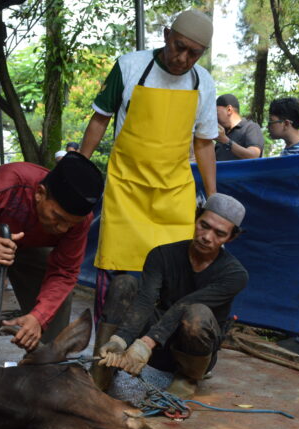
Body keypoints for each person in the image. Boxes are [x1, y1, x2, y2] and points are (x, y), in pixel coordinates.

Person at [79, 9, 219, 322]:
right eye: (178, 46)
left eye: (193, 53)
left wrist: (213, 199)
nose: (182, 58)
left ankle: (157, 346)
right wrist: (78, 166)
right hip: (127, 189)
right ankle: (108, 346)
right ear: (167, 34)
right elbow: (100, 119)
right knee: (119, 271)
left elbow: (204, 143)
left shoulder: (203, 84)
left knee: (174, 273)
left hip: (174, 194)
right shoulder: (130, 66)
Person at [0, 152, 104, 365]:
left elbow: (65, 272)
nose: (62, 229)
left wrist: (39, 316)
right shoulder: (9, 182)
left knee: (58, 299)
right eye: (58, 218)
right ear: (39, 193)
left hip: (27, 238)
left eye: (70, 224)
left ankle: (46, 364)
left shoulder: (80, 221)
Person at [95, 193, 248, 399]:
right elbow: (145, 300)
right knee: (124, 284)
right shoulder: (161, 255)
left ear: (232, 237)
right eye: (204, 225)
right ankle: (102, 367)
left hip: (188, 349)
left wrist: (145, 344)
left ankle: (187, 378)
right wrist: (121, 340)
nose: (207, 236)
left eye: (219, 234)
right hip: (156, 344)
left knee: (197, 313)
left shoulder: (235, 274)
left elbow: (186, 304)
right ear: (196, 218)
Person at [214, 94, 264, 161]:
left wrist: (226, 141)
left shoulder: (250, 127)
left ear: (229, 110)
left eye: (216, 112)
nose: (214, 117)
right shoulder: (222, 134)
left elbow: (253, 155)